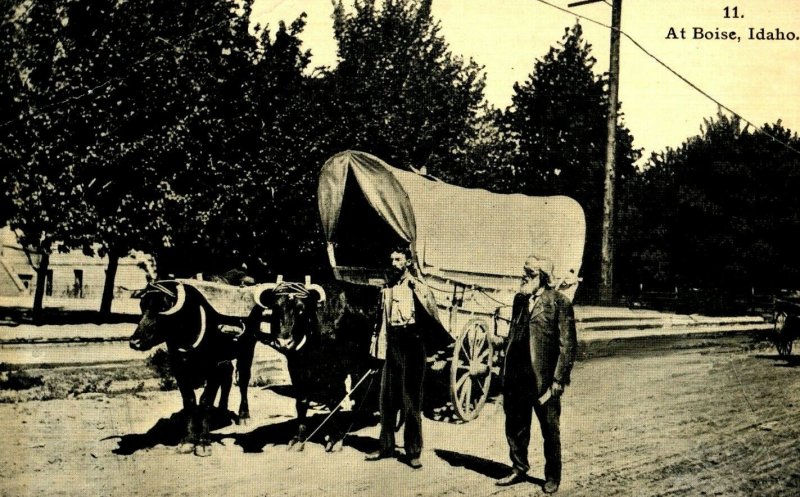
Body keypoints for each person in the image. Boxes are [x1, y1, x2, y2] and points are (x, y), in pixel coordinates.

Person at [495, 255, 577, 494]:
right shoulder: (519, 300)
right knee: (516, 425)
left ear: (543, 277)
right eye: (524, 272)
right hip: (517, 376)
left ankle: (552, 477)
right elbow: (514, 333)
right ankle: (519, 468)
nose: (524, 276)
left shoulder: (559, 303)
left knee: (550, 430)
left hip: (543, 379)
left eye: (530, 273)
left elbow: (567, 345)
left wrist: (559, 379)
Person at [365, 245, 444, 469]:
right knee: (387, 399)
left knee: (411, 401)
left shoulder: (418, 286)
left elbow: (431, 314)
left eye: (398, 259)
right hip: (393, 342)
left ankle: (413, 451)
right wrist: (379, 348)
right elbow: (382, 321)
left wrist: (418, 290)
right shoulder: (387, 288)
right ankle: (386, 447)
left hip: (413, 343)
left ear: (408, 262)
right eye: (392, 259)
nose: (393, 263)